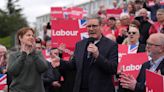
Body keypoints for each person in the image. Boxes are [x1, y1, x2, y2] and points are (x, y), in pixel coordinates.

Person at [52, 16, 118, 92]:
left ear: (101, 26)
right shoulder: (80, 44)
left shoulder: (111, 45)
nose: (91, 29)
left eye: (94, 26)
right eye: (89, 26)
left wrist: (97, 56)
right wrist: (60, 62)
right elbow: (73, 64)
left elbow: (113, 68)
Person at [7, 27, 48, 92]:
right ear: (20, 38)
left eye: (32, 35)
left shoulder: (38, 53)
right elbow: (12, 72)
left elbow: (44, 68)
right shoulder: (13, 55)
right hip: (17, 90)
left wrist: (33, 53)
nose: (31, 37)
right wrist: (23, 54)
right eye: (28, 35)